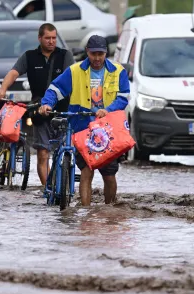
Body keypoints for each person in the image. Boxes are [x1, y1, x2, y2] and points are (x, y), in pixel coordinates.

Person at [39, 35, 130, 207]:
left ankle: (108, 211)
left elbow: (124, 97)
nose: (97, 58)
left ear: (106, 53)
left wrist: (108, 110)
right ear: (87, 52)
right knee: (86, 172)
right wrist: (46, 104)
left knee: (109, 175)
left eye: (100, 54)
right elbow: (55, 89)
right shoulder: (75, 71)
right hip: (82, 128)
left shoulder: (118, 71)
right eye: (93, 53)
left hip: (108, 130)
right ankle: (86, 213)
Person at [0, 23, 74, 188]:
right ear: (40, 38)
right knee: (43, 154)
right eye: (47, 38)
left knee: (62, 153)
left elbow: (73, 79)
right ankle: (48, 190)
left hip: (62, 111)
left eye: (54, 38)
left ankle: (61, 187)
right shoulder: (29, 56)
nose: (51, 41)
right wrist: (2, 89)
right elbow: (14, 73)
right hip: (39, 110)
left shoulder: (65, 56)